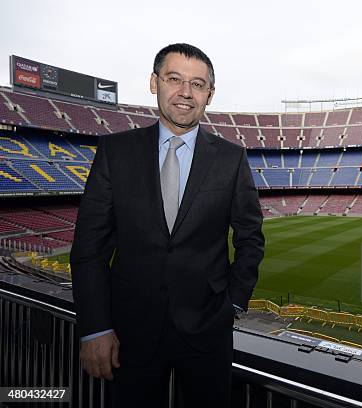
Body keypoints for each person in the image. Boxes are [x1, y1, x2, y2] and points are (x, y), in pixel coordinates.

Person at [70, 43, 265, 407]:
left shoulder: (232, 158)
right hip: (128, 332)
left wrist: (233, 305)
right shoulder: (115, 152)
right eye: (174, 79)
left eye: (198, 84)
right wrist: (96, 327)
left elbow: (251, 239)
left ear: (209, 94)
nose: (185, 93)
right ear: (153, 82)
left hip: (208, 333)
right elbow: (89, 249)